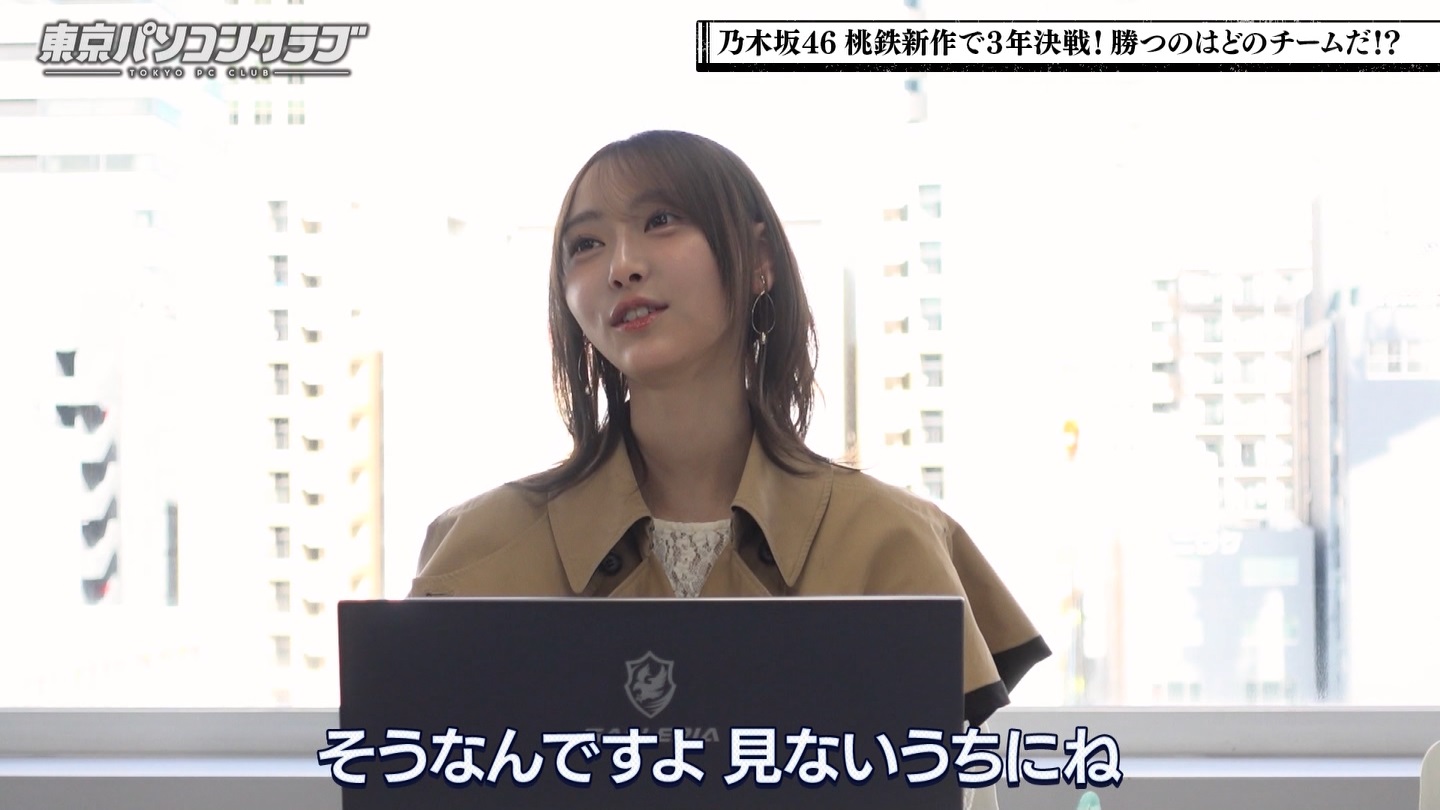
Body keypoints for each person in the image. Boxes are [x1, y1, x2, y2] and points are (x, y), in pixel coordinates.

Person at [409, 130, 1050, 806]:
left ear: (759, 259)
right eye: (585, 244)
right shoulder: (476, 554)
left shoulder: (893, 546)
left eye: (661, 220)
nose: (621, 266)